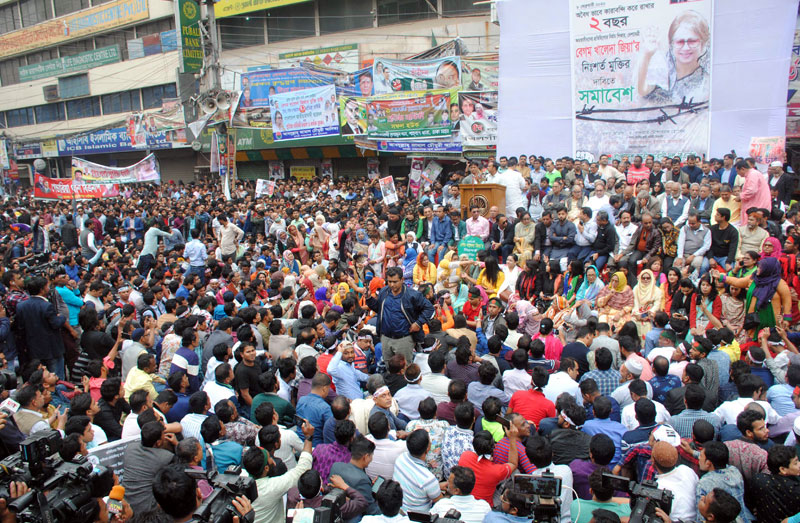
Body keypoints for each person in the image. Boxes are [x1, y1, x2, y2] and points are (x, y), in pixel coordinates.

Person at [243, 418, 315, 523]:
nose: (274, 461)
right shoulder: (271, 487)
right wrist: (308, 438)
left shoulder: (240, 480)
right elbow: (302, 469)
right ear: (266, 468)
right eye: (270, 459)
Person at [367, 267, 435, 365]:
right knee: (388, 366)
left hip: (404, 338)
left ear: (402, 280)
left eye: (395, 282)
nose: (392, 285)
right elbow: (379, 309)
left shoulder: (412, 295)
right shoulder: (384, 292)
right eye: (389, 281)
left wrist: (418, 323)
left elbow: (429, 308)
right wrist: (369, 298)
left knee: (404, 367)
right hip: (386, 337)